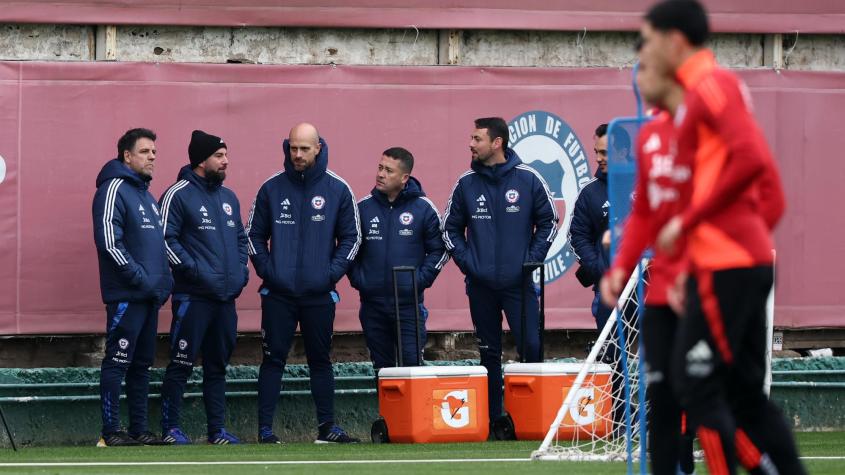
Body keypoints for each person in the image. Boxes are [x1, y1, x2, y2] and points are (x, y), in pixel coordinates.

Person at [640, 1, 805, 474]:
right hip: (733, 262)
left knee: (696, 386)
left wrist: (695, 227)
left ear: (674, 41)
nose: (643, 53)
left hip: (728, 266)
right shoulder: (711, 92)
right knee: (743, 397)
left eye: (647, 41)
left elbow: (751, 160)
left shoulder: (709, 86)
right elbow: (770, 190)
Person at [600, 59, 694, 475]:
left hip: (704, 279)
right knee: (660, 390)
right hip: (661, 285)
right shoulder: (648, 136)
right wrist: (620, 263)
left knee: (711, 392)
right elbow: (643, 215)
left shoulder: (707, 131)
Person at [247, 123, 362, 444]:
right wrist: (270, 272)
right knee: (272, 360)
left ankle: (327, 428)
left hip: (319, 294)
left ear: (318, 148)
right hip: (278, 294)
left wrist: (328, 275)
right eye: (292, 148)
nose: (297, 154)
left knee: (320, 360)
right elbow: (253, 236)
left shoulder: (338, 189)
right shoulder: (271, 188)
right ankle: (265, 431)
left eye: (304, 149)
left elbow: (352, 238)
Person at [443, 117, 558, 434]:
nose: (471, 144)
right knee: (488, 354)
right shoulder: (466, 183)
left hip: (518, 285)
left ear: (497, 143)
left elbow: (549, 221)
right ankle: (494, 420)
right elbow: (450, 229)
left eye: (477, 138)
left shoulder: (528, 179)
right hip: (480, 286)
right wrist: (470, 264)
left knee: (531, 348)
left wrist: (530, 261)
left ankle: (531, 418)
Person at [157, 130, 249, 445]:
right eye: (219, 156)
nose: (226, 161)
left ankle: (217, 431)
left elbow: (241, 240)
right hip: (193, 297)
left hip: (225, 299)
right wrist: (194, 270)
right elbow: (164, 239)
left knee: (217, 367)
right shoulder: (177, 194)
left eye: (226, 155)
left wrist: (240, 273)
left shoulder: (229, 198)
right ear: (201, 160)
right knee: (181, 363)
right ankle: (170, 428)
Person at [92, 128, 173, 446]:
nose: (152, 157)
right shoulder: (112, 188)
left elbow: (160, 247)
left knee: (142, 365)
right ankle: (111, 431)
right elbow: (109, 242)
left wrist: (164, 282)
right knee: (118, 361)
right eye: (144, 151)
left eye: (154, 152)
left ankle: (139, 429)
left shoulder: (147, 197)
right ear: (127, 156)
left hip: (149, 297)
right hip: (127, 295)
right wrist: (140, 278)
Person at [349, 147, 448, 371]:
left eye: (388, 170)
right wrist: (360, 280)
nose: (380, 174)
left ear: (404, 178)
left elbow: (440, 250)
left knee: (412, 369)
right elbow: (349, 248)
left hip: (408, 307)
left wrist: (417, 281)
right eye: (380, 167)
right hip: (372, 306)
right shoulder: (362, 208)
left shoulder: (424, 208)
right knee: (382, 371)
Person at [569, 124, 612, 329]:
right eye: (596, 152)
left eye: (604, 153)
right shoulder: (589, 192)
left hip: (646, 287)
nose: (598, 158)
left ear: (623, 151)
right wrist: (598, 267)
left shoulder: (643, 185)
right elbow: (577, 235)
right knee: (611, 347)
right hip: (607, 288)